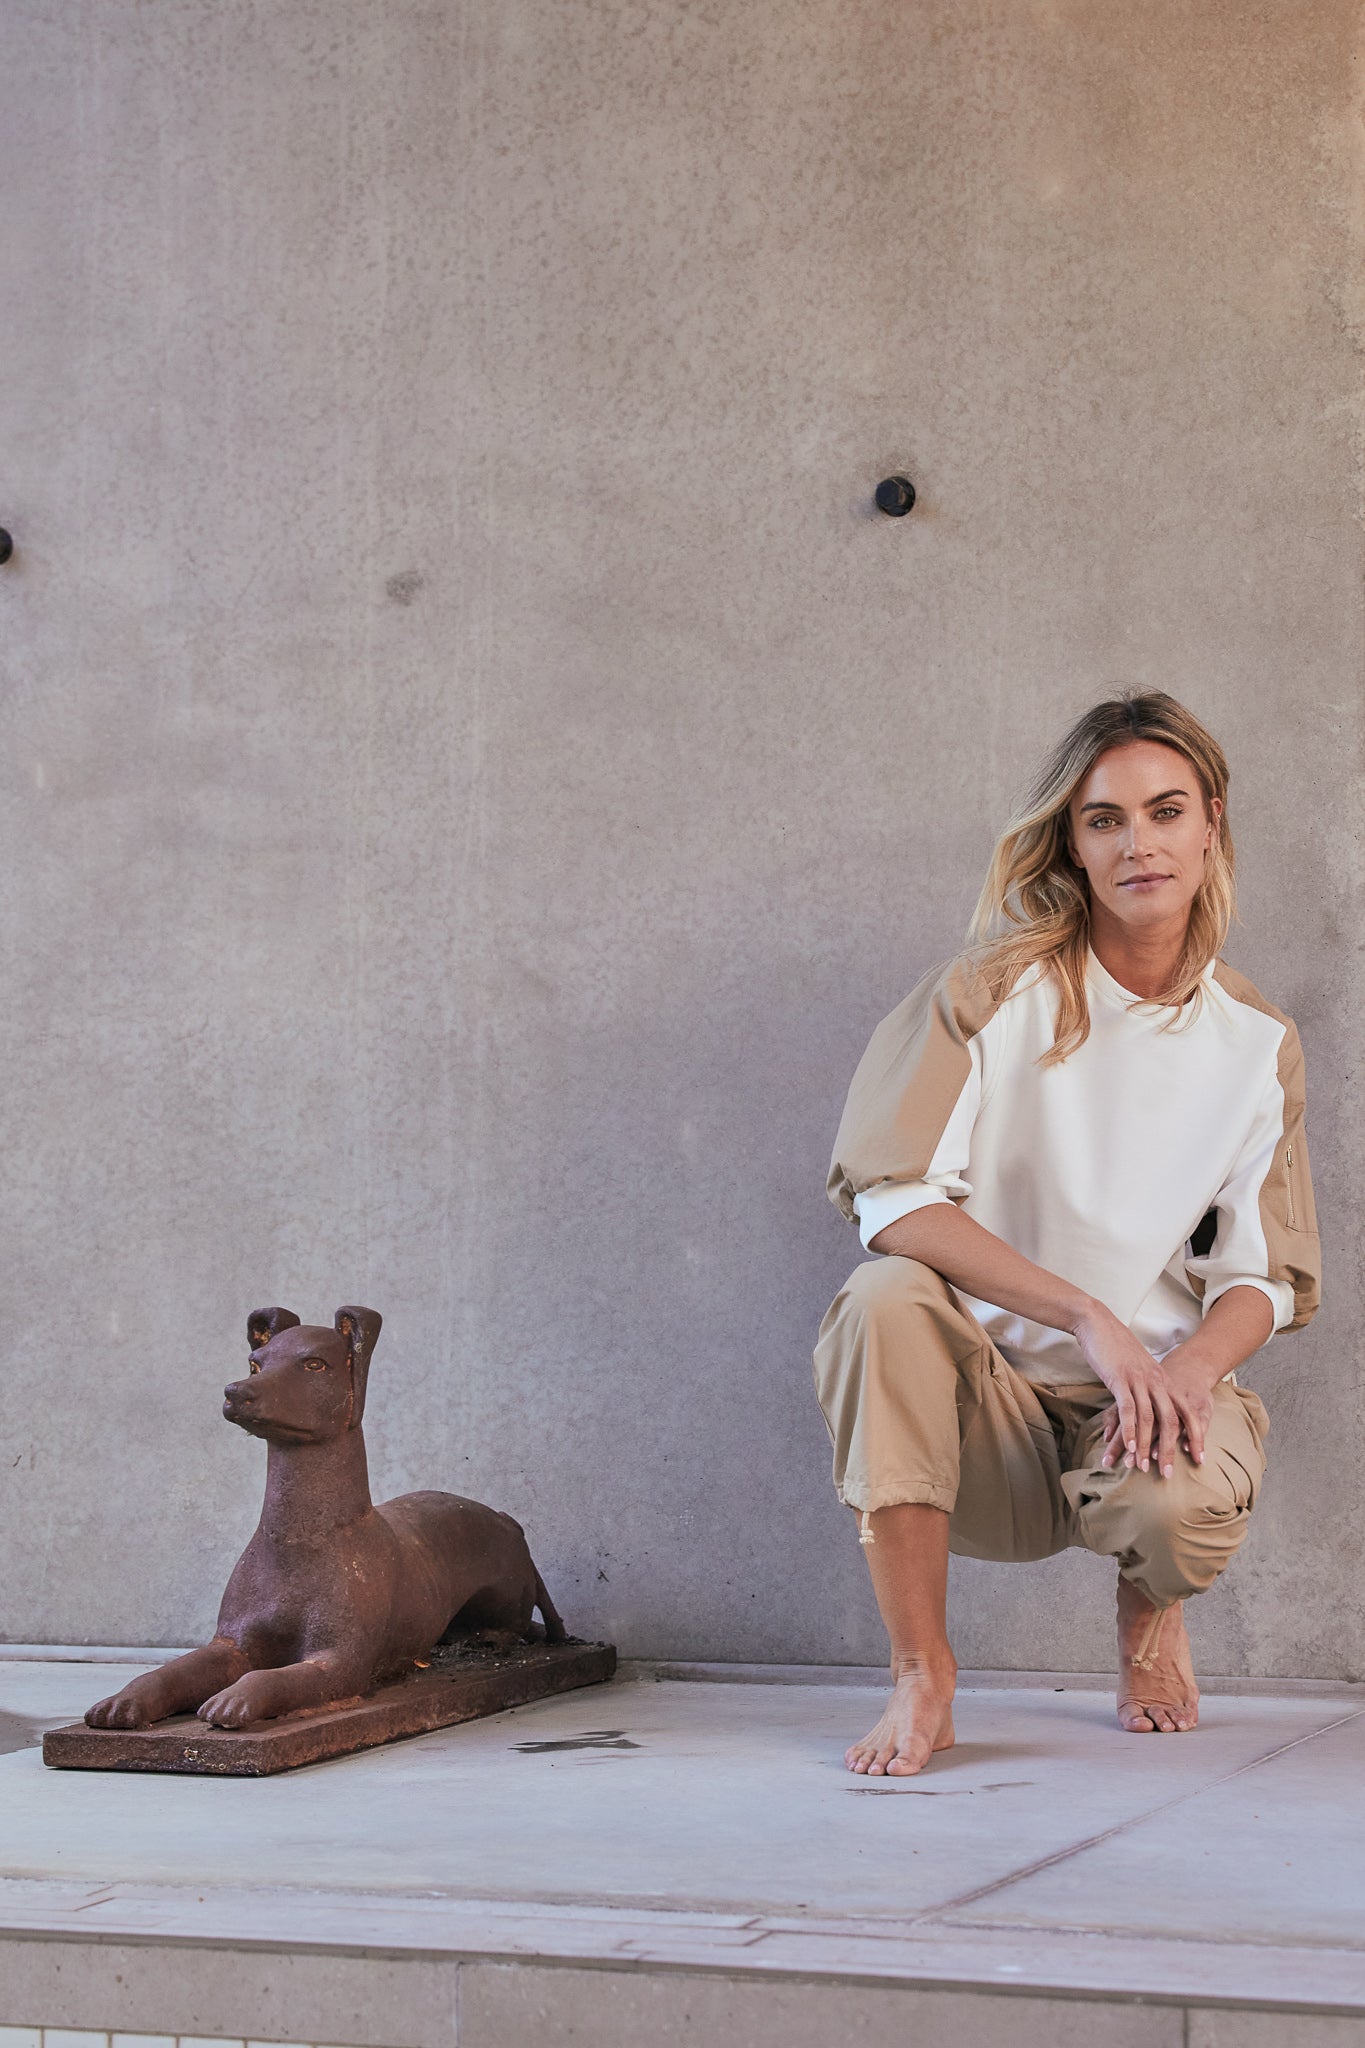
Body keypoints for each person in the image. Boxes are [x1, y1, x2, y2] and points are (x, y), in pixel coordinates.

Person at [814, 692, 1320, 1776]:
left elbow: (1264, 1276)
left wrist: (1185, 1372)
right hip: (980, 1415)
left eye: (1165, 810)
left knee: (1178, 1507)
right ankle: (921, 1672)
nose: (1138, 843)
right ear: (1073, 843)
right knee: (880, 1300)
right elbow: (890, 1200)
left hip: (1136, 1415)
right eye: (1104, 819)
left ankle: (1149, 1617)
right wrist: (1087, 1314)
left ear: (1210, 823)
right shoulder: (989, 993)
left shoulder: (1255, 1041)